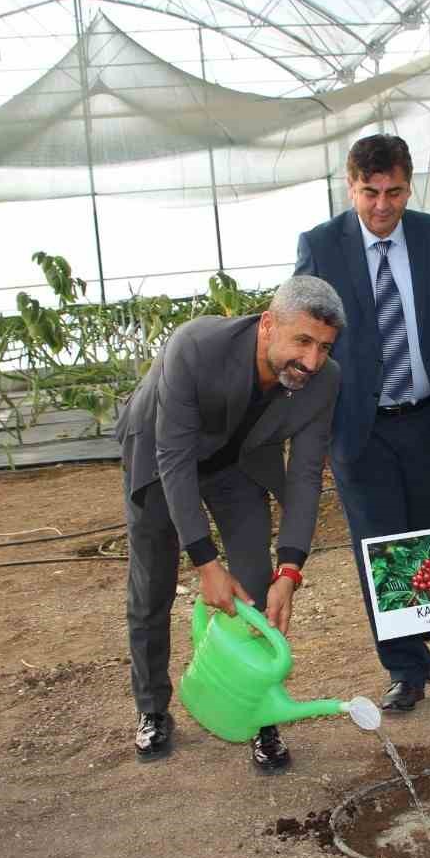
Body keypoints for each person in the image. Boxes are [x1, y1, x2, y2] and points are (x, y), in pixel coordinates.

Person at [295, 134, 430, 713]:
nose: (383, 205)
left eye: (394, 192)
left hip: (425, 419)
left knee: (424, 539)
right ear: (350, 186)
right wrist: (307, 431)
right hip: (358, 425)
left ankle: (425, 648)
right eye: (371, 193)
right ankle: (403, 667)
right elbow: (302, 337)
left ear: (410, 186)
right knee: (381, 544)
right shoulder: (321, 246)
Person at [114, 277, 343, 769]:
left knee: (256, 580)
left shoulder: (324, 381)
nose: (312, 362)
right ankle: (153, 708)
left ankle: (260, 715)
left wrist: (291, 570)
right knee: (152, 582)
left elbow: (304, 477)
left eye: (324, 347)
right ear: (267, 325)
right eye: (302, 342)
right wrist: (204, 561)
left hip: (236, 462)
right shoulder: (195, 346)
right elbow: (174, 458)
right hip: (160, 455)